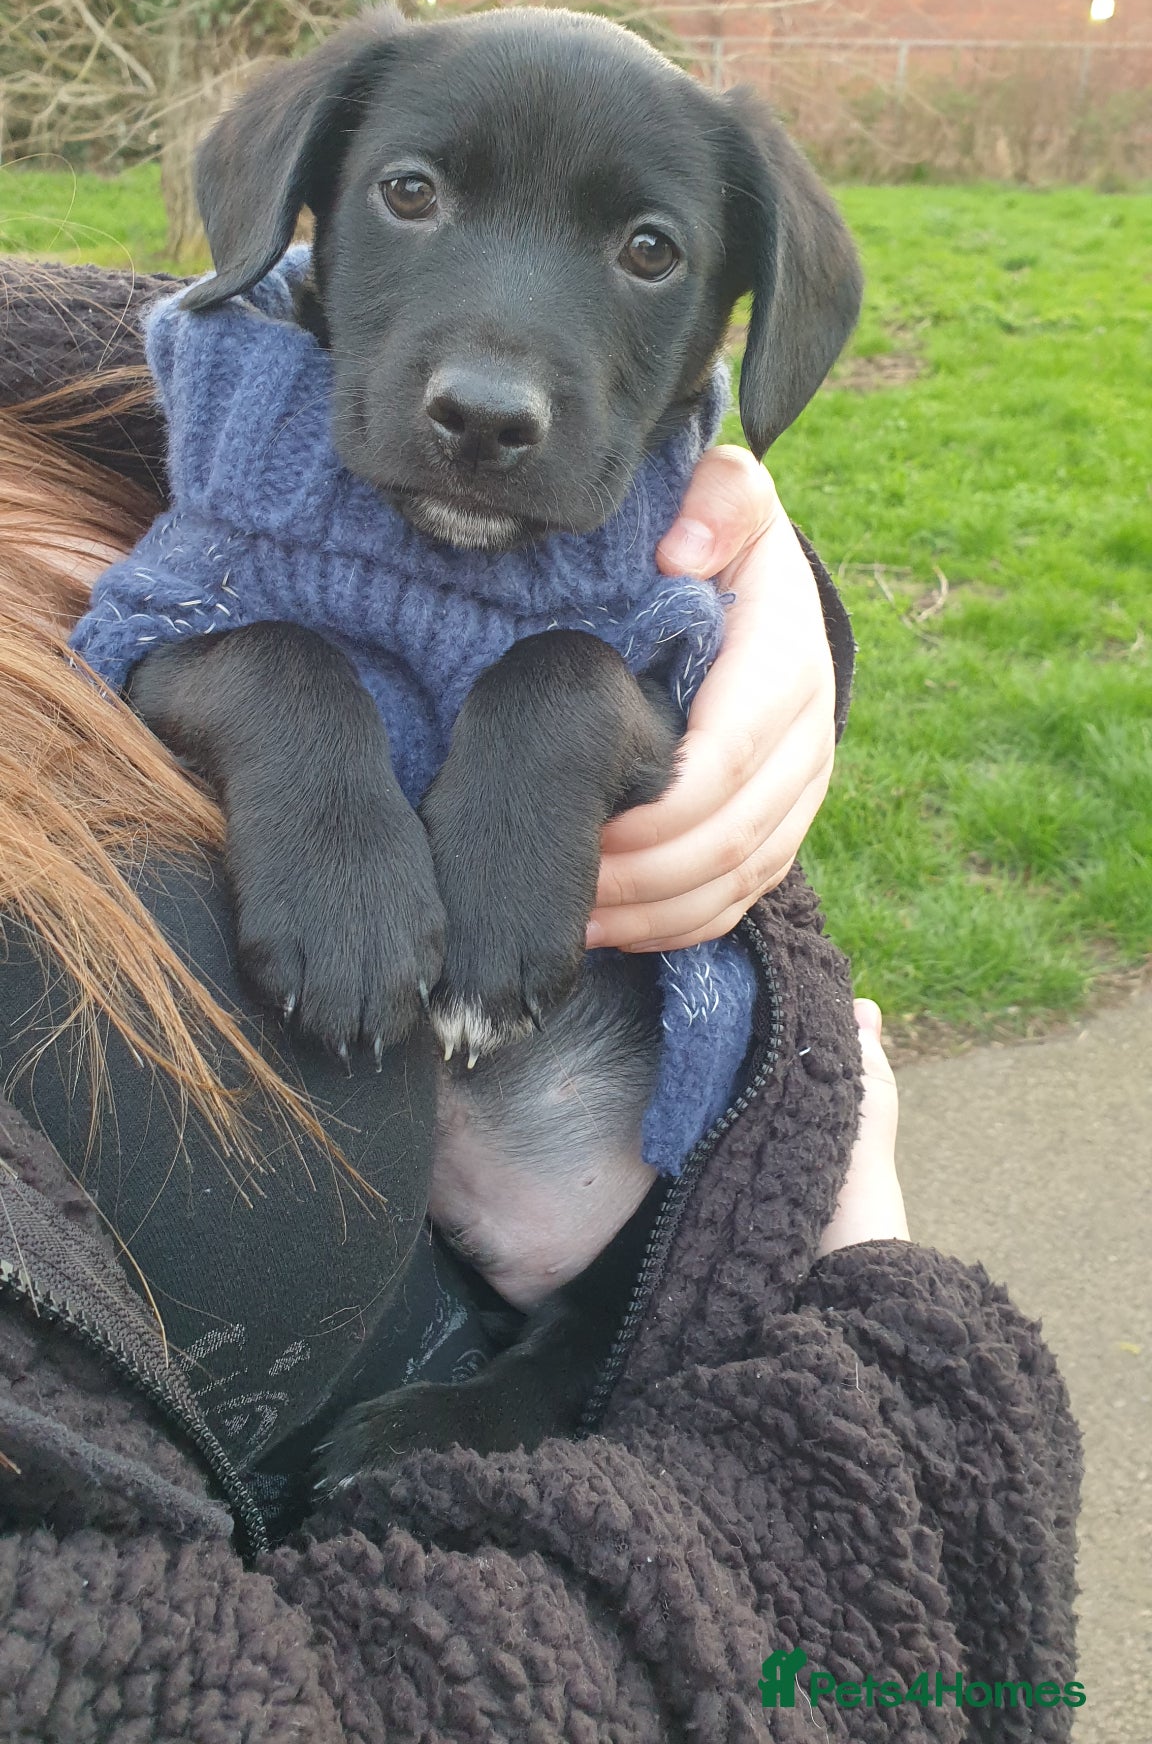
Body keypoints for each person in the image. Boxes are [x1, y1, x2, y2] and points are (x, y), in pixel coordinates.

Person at [0, 259, 1079, 1741]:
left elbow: (187, 348)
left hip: (673, 1235)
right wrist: (874, 1351)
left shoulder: (117, 366)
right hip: (704, 1499)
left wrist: (755, 595)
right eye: (415, 199)